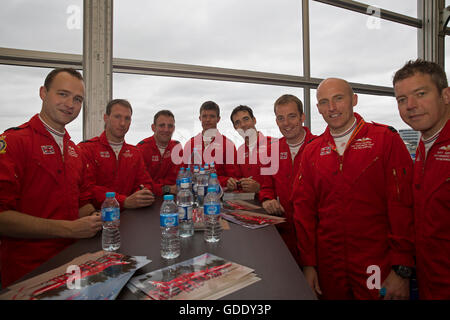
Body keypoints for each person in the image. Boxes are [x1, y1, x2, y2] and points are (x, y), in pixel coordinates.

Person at [292, 78, 415, 300]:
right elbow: (304, 211)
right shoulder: (312, 152)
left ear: (354, 100)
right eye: (324, 102)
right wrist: (309, 264)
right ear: (318, 108)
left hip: (376, 263)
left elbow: (403, 206)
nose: (332, 108)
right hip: (329, 264)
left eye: (338, 98)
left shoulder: (384, 140)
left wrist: (402, 269)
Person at [0, 68, 102, 287]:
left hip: (71, 263)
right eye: (62, 94)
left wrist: (99, 217)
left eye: (78, 99)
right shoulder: (14, 142)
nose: (70, 104)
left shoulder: (74, 150)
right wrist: (68, 228)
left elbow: (81, 204)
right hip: (27, 272)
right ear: (43, 93)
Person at [393, 59, 450, 300]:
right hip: (429, 280)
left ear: (445, 95)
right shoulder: (425, 145)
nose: (411, 106)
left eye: (421, 93)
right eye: (402, 100)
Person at [258, 94, 317, 266]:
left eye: (292, 116)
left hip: (316, 235)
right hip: (284, 232)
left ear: (302, 117)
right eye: (281, 118)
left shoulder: (320, 146)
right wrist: (267, 199)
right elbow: (266, 186)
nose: (286, 123)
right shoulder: (271, 151)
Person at [78, 99, 155, 210]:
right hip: (98, 218)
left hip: (131, 215)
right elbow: (88, 189)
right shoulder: (87, 149)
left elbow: (146, 183)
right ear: (106, 118)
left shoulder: (135, 152)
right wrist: (125, 201)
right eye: (117, 117)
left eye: (127, 118)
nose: (122, 123)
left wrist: (140, 196)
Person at [183, 101, 239, 187]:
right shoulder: (190, 144)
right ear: (200, 118)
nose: (208, 120)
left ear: (218, 119)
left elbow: (233, 178)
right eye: (204, 116)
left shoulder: (228, 145)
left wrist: (223, 181)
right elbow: (183, 173)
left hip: (219, 195)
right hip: (194, 194)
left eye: (212, 116)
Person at [227, 105, 271, 194]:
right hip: (249, 203)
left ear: (254, 120)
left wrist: (259, 188)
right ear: (235, 128)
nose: (243, 125)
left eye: (246, 119)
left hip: (272, 204)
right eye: (238, 122)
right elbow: (238, 178)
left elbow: (284, 183)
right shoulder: (240, 151)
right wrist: (233, 183)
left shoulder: (273, 145)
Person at [137, 110, 181, 196]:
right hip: (147, 200)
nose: (166, 130)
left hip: (171, 199)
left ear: (174, 128)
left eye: (170, 126)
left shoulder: (177, 148)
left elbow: (176, 180)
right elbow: (142, 185)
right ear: (153, 127)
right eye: (162, 125)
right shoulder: (141, 149)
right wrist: (166, 189)